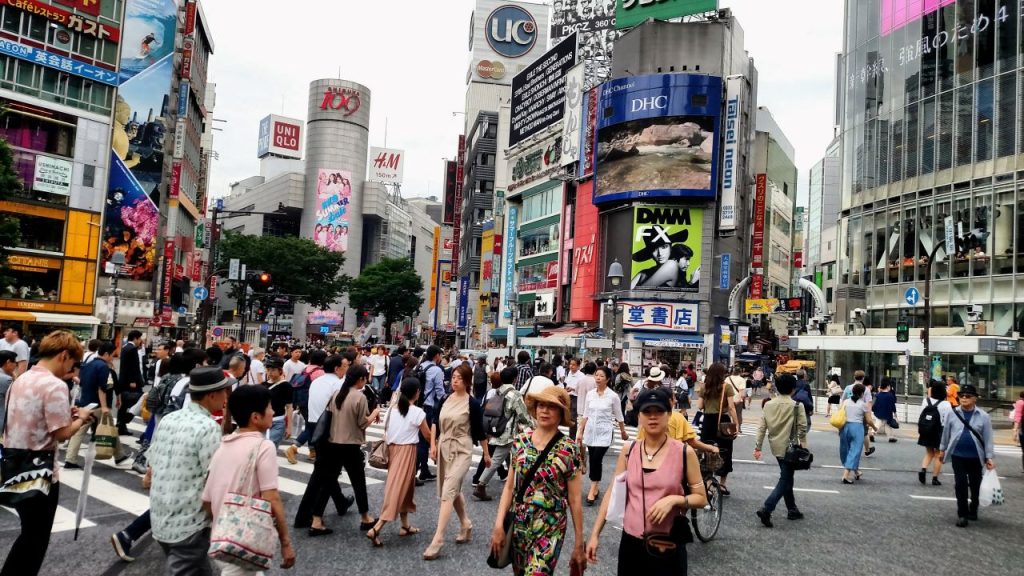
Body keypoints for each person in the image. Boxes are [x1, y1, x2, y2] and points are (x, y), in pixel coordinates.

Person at [586, 387, 707, 575]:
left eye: (659, 411)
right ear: (639, 417)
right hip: (631, 544)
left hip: (667, 545)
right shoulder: (629, 450)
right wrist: (595, 535)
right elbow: (612, 492)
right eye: (647, 412)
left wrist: (675, 500)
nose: (653, 417)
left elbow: (701, 498)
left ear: (668, 415)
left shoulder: (684, 452)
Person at [0, 331, 92, 576]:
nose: (71, 369)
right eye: (72, 363)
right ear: (64, 355)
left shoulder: (21, 379)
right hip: (40, 471)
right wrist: (81, 419)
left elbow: (29, 417)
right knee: (35, 540)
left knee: (28, 534)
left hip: (13, 465)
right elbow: (61, 433)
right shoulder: (54, 385)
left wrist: (65, 414)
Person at [490, 379, 586, 576]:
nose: (545, 410)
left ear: (561, 413)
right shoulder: (520, 441)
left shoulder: (569, 450)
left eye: (552, 407)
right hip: (519, 522)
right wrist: (499, 524)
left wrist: (579, 542)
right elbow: (509, 487)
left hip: (551, 526)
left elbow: (575, 500)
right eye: (542, 405)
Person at [147, 366, 232, 576]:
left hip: (161, 515)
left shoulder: (169, 419)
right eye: (224, 392)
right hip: (190, 522)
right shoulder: (207, 426)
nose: (226, 398)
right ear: (212, 395)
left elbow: (152, 466)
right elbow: (213, 478)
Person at [202, 385, 296, 573]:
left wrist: (223, 522)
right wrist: (285, 542)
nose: (273, 412)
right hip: (244, 541)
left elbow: (207, 499)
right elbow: (272, 498)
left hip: (223, 536)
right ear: (255, 417)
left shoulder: (224, 445)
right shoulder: (263, 447)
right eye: (269, 408)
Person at [423, 363, 490, 560]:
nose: (455, 380)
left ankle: (438, 539)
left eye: (459, 378)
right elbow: (435, 421)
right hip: (444, 447)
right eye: (453, 377)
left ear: (468, 381)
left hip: (462, 449)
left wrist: (486, 454)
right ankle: (466, 523)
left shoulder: (473, 403)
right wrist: (432, 444)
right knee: (452, 490)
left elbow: (479, 431)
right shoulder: (444, 397)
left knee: (448, 490)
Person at [305, 364, 380, 536]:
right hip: (350, 446)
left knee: (327, 482)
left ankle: (316, 520)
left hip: (332, 444)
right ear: (360, 379)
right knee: (358, 482)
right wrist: (375, 412)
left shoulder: (337, 394)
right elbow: (362, 423)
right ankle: (365, 517)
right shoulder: (359, 398)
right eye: (365, 378)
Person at [366, 379, 433, 546]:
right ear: (417, 392)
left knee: (405, 487)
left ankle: (405, 526)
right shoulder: (417, 412)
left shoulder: (391, 410)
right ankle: (377, 528)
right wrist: (437, 444)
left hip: (393, 450)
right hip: (406, 451)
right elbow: (427, 435)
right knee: (397, 488)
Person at [293, 354, 356, 528]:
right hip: (331, 431)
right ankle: (305, 516)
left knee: (327, 472)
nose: (346, 369)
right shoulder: (338, 384)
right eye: (345, 365)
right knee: (323, 475)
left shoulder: (317, 382)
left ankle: (341, 502)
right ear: (337, 368)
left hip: (315, 428)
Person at [753, 375, 808, 527]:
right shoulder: (797, 405)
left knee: (787, 477)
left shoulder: (768, 405)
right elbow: (802, 428)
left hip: (775, 447)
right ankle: (767, 508)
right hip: (791, 449)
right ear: (793, 388)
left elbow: (762, 428)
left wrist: (758, 447)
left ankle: (792, 509)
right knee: (785, 480)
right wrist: (803, 444)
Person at [938, 384, 995, 527]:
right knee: (960, 484)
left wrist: (989, 457)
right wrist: (942, 449)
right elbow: (946, 433)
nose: (964, 398)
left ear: (975, 399)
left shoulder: (984, 416)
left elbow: (988, 438)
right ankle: (962, 514)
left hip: (976, 456)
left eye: (968, 396)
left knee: (976, 485)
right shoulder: (952, 413)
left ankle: (973, 508)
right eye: (961, 395)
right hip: (958, 455)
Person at [65, 341, 128, 468]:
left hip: (85, 403)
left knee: (79, 431)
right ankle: (119, 456)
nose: (113, 358)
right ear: (106, 354)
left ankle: (70, 459)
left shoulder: (88, 365)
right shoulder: (103, 367)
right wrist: (104, 406)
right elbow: (102, 388)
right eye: (112, 355)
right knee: (110, 429)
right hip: (98, 405)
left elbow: (82, 383)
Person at [474, 367, 532, 501]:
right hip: (507, 434)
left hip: (495, 430)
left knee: (512, 459)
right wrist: (532, 425)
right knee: (497, 460)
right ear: (515, 379)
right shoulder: (514, 394)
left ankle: (516, 485)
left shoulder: (498, 391)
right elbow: (522, 415)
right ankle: (481, 485)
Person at [578, 366, 628, 506]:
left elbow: (619, 416)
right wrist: (580, 432)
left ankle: (593, 487)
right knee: (594, 459)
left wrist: (623, 432)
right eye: (596, 375)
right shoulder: (590, 394)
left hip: (605, 433)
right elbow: (585, 414)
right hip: (590, 432)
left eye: (601, 376)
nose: (598, 378)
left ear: (607, 379)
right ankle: (596, 485)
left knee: (596, 459)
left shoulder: (612, 396)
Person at [696, 363, 739, 495]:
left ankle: (708, 483)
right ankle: (722, 484)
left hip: (708, 421)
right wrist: (736, 424)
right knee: (725, 451)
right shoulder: (727, 387)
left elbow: (699, 406)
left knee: (707, 451)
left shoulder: (704, 387)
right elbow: (731, 407)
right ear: (722, 374)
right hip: (723, 422)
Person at [285, 350, 326, 464]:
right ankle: (293, 448)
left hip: (301, 402)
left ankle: (312, 451)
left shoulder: (305, 369)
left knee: (310, 425)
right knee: (312, 427)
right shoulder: (320, 372)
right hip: (312, 403)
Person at [417, 345, 447, 483]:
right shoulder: (436, 370)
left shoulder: (420, 366)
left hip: (417, 405)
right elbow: (440, 392)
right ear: (436, 356)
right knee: (424, 440)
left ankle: (423, 470)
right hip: (428, 406)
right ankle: (417, 470)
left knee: (420, 438)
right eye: (440, 355)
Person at [918, 380, 954, 486]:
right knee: (938, 454)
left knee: (929, 453)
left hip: (926, 430)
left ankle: (923, 470)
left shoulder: (926, 401)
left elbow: (921, 414)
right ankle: (935, 478)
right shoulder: (946, 404)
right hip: (939, 431)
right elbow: (948, 420)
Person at [838, 383, 875, 484]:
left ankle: (856, 471)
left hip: (845, 427)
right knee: (855, 451)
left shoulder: (845, 402)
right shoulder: (863, 405)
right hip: (857, 428)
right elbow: (869, 420)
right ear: (862, 394)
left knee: (846, 450)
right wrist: (874, 428)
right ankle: (845, 476)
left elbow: (840, 413)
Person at [117, 330, 147, 435]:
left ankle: (121, 426)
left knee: (123, 405)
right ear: (135, 338)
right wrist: (133, 381)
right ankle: (125, 420)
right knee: (139, 401)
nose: (140, 341)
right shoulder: (132, 349)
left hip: (123, 381)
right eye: (139, 339)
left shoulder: (125, 348)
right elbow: (133, 367)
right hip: (131, 382)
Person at [264, 357, 293, 447]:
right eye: (268, 370)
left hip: (278, 422)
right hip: (263, 422)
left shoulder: (286, 386)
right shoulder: (263, 385)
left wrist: (289, 427)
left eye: (273, 370)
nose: (270, 372)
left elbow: (289, 406)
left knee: (270, 448)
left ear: (280, 370)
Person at [0, 350, 16, 433]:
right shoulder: (6, 380)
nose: (15, 366)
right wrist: (15, 379)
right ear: (8, 362)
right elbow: (16, 399)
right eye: (15, 363)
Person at [1013, 391, 1024, 472]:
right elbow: (1018, 416)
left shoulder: (1020, 403)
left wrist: (1015, 431)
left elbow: (1018, 416)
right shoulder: (1020, 403)